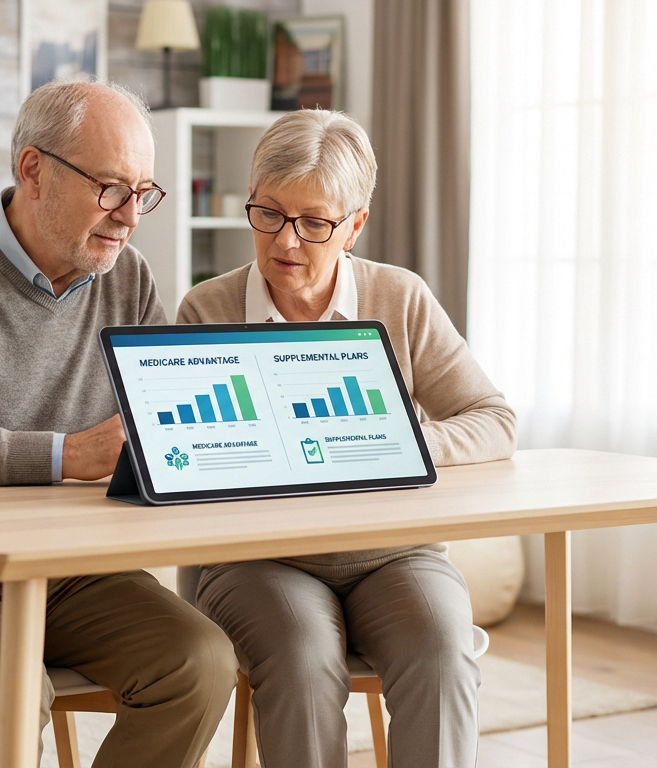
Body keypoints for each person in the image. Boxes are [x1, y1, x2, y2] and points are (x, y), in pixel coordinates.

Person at [0, 77, 237, 768]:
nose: (130, 215)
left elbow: (164, 430)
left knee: (200, 662)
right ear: (33, 170)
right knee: (8, 691)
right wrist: (63, 455)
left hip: (72, 575)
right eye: (112, 188)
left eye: (143, 193)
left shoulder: (131, 278)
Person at [176, 109, 518, 768]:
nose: (287, 241)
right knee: (304, 661)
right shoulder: (207, 310)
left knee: (443, 653)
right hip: (258, 560)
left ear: (355, 225)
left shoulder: (401, 299)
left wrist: (403, 442)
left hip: (395, 555)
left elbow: (492, 419)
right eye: (268, 213)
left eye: (315, 222)